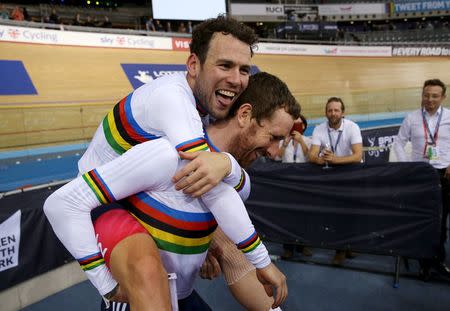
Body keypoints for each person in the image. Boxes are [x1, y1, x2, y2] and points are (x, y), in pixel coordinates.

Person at [44, 72, 300, 310]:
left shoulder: (231, 174)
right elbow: (64, 203)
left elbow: (232, 200)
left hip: (180, 294)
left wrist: (227, 165)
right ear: (244, 115)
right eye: (274, 137)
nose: (275, 152)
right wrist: (107, 286)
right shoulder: (167, 154)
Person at [74, 15, 280, 310]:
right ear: (194, 65)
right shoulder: (174, 99)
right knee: (145, 276)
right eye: (225, 65)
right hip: (103, 200)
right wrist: (261, 259)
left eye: (244, 69)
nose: (236, 79)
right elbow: (213, 184)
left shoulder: (201, 103)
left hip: (121, 189)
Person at [393, 78, 450, 281]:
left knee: (441, 222)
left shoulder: (449, 117)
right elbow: (398, 143)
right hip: (420, 176)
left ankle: (438, 260)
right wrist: (408, 165)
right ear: (422, 95)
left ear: (443, 97)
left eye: (435, 95)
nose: (430, 99)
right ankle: (424, 263)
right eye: (426, 95)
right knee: (422, 219)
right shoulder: (412, 118)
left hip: (445, 174)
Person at [309, 97, 362, 265]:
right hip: (331, 175)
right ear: (326, 112)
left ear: (343, 112)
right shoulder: (319, 129)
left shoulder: (352, 127)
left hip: (351, 174)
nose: (333, 113)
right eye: (330, 110)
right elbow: (312, 155)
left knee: (350, 213)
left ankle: (347, 245)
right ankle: (341, 249)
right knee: (336, 213)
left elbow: (358, 155)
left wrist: (334, 160)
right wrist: (322, 160)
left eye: (336, 110)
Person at [277, 115, 313, 259]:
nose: (296, 127)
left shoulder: (309, 141)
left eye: (299, 125)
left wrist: (301, 142)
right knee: (287, 216)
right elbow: (276, 158)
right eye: (293, 125)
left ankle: (303, 246)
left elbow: (311, 158)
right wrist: (285, 144)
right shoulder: (282, 142)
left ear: (303, 127)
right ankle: (288, 248)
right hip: (287, 184)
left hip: (303, 184)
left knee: (303, 216)